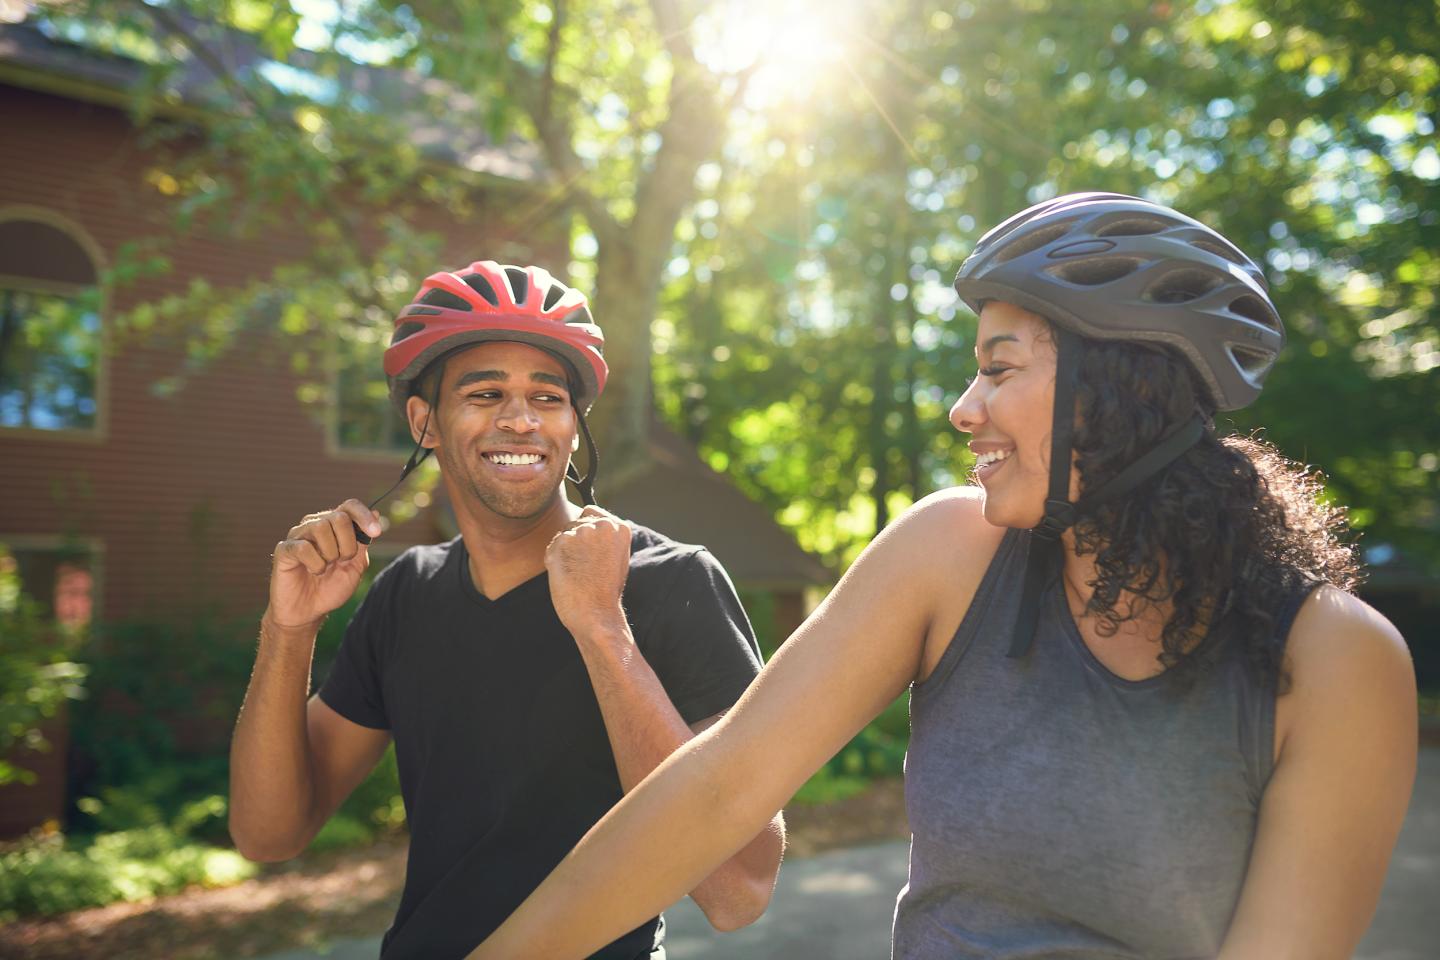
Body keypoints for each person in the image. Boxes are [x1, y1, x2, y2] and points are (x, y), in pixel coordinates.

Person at [467, 195, 1418, 959]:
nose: (967, 410)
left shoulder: (1337, 661)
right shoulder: (951, 551)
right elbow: (715, 793)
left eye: (999, 370)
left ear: (1125, 387)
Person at [228, 260, 785, 960]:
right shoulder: (406, 595)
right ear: (424, 421)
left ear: (575, 427)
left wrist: (602, 627)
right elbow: (267, 834)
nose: (520, 421)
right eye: (486, 394)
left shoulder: (674, 580)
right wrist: (289, 628)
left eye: (548, 398)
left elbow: (740, 890)